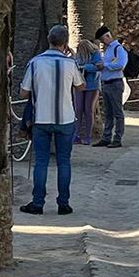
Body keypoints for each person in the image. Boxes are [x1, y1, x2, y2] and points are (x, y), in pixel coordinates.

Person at [20, 25, 84, 215]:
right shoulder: (70, 64)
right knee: (64, 161)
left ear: (49, 39)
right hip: (65, 119)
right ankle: (63, 203)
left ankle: (37, 202)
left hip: (41, 119)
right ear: (65, 43)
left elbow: (24, 92)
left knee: (41, 162)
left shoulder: (35, 62)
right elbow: (81, 86)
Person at [93, 24, 127, 147]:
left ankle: (117, 138)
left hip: (115, 83)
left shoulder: (118, 48)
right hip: (107, 83)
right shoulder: (108, 49)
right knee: (108, 112)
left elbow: (121, 64)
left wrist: (105, 66)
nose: (103, 43)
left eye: (103, 40)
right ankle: (106, 137)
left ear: (108, 36)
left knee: (117, 112)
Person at [72, 37, 102, 145]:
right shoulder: (78, 54)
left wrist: (85, 67)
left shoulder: (96, 54)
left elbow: (98, 66)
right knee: (78, 109)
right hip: (79, 84)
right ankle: (76, 134)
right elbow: (75, 64)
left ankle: (88, 136)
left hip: (92, 85)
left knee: (89, 110)